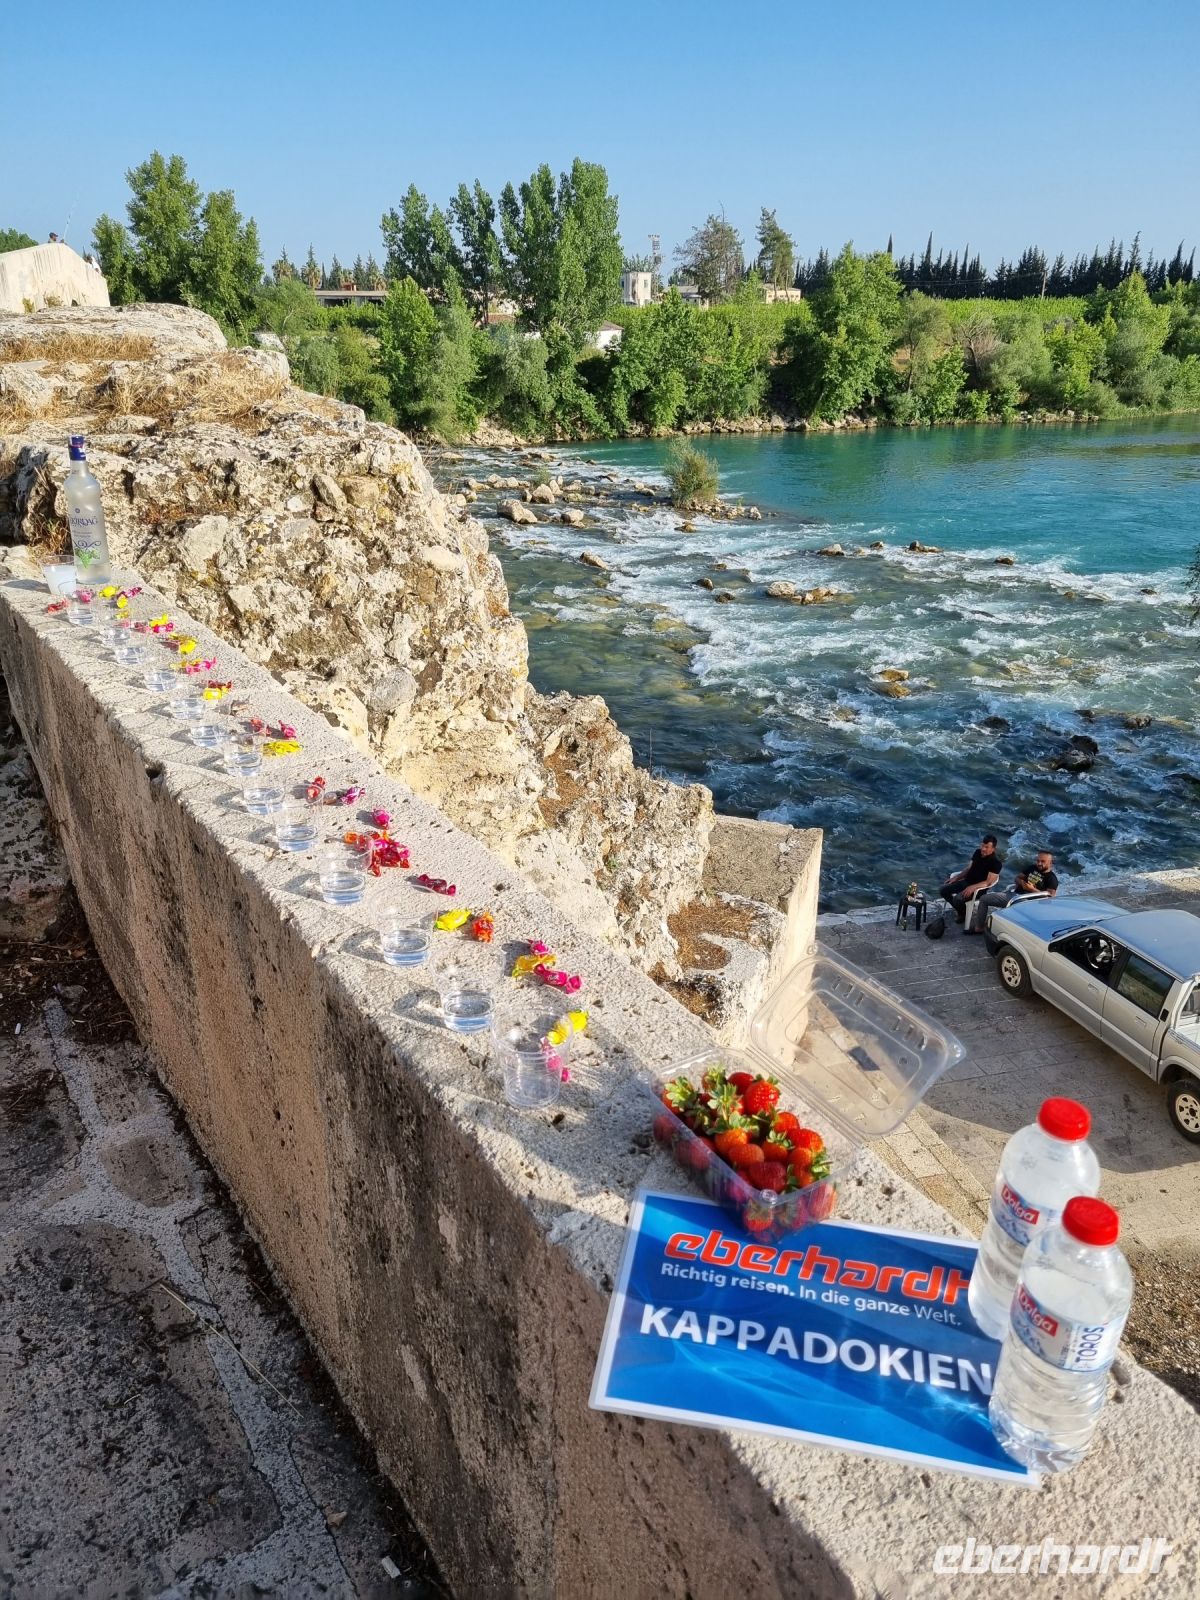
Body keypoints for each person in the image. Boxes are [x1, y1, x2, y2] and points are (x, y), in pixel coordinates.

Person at [967, 849, 1059, 934]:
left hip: (1026, 903)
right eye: (1038, 860)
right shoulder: (1032, 868)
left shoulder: (1051, 878)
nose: (1039, 863)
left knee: (1005, 915)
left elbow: (1049, 899)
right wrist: (1022, 882)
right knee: (984, 899)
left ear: (1050, 863)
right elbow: (1017, 878)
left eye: (1043, 861)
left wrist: (1031, 890)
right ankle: (979, 928)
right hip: (1013, 895)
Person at [940, 835, 1003, 924]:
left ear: (993, 849)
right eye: (982, 846)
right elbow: (968, 869)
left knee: (957, 899)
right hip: (966, 882)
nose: (983, 849)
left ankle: (962, 913)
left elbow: (988, 882)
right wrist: (956, 878)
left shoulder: (996, 863)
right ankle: (962, 911)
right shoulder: (977, 852)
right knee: (943, 890)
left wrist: (973, 887)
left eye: (987, 847)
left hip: (978, 889)